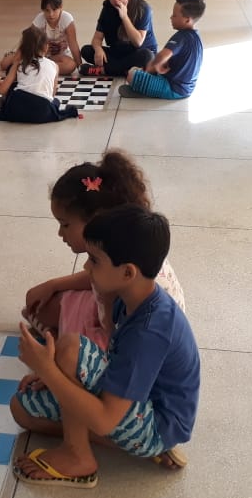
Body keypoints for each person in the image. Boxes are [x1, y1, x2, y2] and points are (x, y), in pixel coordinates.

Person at [11, 204, 200, 487]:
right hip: (136, 401)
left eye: (95, 260)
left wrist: (48, 370)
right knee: (22, 409)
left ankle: (78, 457)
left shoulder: (149, 331)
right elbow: (111, 357)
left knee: (70, 347)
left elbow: (105, 420)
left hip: (157, 423)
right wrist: (56, 374)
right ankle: (132, 446)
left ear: (128, 272)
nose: (86, 267)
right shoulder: (130, 297)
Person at [23, 150, 186, 352]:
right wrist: (53, 285)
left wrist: (51, 364)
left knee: (68, 352)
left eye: (65, 225)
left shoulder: (128, 273)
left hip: (130, 337)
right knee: (35, 303)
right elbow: (94, 277)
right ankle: (59, 337)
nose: (60, 233)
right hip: (108, 313)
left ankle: (59, 342)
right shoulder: (112, 247)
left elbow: (119, 343)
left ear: (95, 219)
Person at [121, 0, 206, 100]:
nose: (171, 17)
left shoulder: (181, 37)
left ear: (187, 20)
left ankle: (147, 90)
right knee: (141, 69)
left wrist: (155, 67)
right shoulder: (196, 37)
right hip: (187, 88)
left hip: (172, 88)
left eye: (174, 15)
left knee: (132, 74)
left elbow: (162, 55)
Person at [0, 25, 77, 124]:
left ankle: (7, 104)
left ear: (22, 48)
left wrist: (15, 63)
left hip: (17, 109)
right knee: (55, 101)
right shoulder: (54, 66)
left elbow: (2, 90)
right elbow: (52, 95)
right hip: (42, 112)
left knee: (14, 87)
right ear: (46, 47)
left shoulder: (20, 64)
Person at [79, 0, 157, 78]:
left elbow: (138, 42)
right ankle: (126, 70)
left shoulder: (143, 8)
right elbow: (97, 38)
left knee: (147, 57)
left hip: (140, 52)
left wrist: (124, 17)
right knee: (86, 50)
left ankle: (104, 70)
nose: (115, 0)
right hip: (120, 51)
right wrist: (98, 49)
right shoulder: (108, 8)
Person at [0, 0, 80, 77]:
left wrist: (80, 66)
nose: (51, 14)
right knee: (4, 64)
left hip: (59, 57)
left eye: (54, 10)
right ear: (42, 9)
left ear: (61, 7)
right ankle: (39, 68)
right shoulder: (39, 19)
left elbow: (73, 45)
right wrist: (17, 57)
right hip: (40, 55)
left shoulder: (67, 19)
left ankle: (33, 69)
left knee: (70, 65)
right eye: (47, 10)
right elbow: (27, 41)